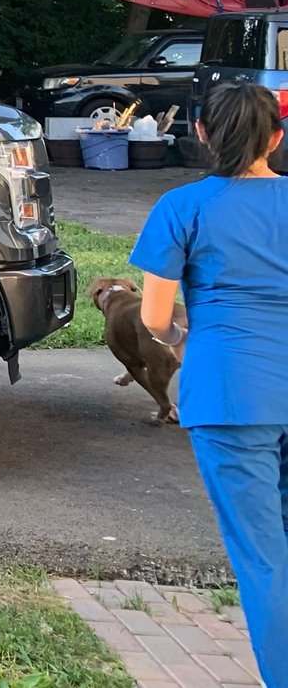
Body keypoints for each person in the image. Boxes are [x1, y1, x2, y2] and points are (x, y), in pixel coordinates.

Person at [131, 82, 288, 686]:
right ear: (276, 137)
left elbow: (152, 317)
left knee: (262, 559)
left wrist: (180, 344)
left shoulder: (182, 206)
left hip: (229, 396)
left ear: (200, 132)